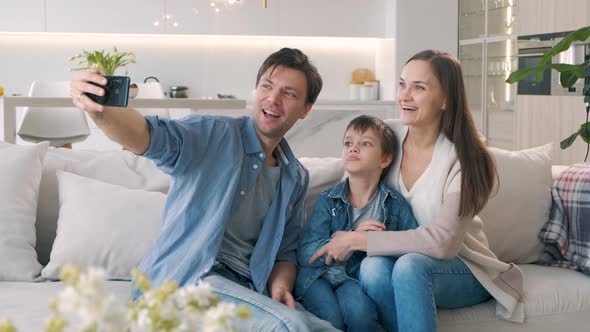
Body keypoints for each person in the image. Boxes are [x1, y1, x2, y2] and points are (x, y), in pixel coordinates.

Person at [69, 47, 338, 332]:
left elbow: (286, 251)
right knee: (288, 328)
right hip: (184, 282)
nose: (273, 99)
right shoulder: (211, 134)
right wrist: (100, 110)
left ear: (306, 109)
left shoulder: (294, 176)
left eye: (289, 93)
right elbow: (147, 136)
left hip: (243, 288)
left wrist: (281, 286)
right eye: (267, 86)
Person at [309, 50, 525, 332]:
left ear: (446, 99)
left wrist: (357, 240)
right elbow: (350, 181)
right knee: (372, 269)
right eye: (402, 84)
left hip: (463, 268)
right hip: (398, 262)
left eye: (419, 87)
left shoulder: (467, 158)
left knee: (410, 267)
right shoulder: (388, 136)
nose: (404, 96)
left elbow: (444, 243)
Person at [296, 115, 418, 331]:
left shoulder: (394, 204)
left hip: (353, 279)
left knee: (361, 316)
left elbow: (413, 246)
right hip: (317, 276)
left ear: (385, 159)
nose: (353, 149)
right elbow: (306, 253)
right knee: (331, 319)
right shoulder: (328, 199)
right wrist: (350, 237)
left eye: (365, 144)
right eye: (348, 143)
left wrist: (373, 242)